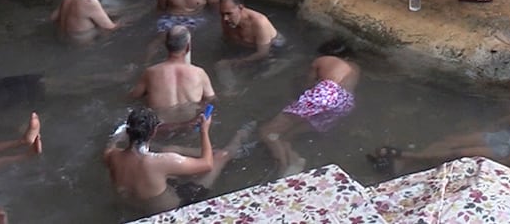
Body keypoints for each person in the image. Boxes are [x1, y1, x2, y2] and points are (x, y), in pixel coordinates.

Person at [368, 69, 510, 175]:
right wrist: (489, 126)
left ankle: (406, 156)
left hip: (508, 149)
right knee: (451, 140)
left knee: (459, 154)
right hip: (503, 137)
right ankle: (406, 164)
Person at [104, 107, 247, 213]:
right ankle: (240, 138)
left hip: (134, 204)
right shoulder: (160, 162)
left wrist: (119, 135)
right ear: (153, 132)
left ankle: (206, 153)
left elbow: (112, 144)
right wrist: (204, 130)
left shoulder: (111, 155)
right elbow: (207, 165)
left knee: (170, 149)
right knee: (221, 156)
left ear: (128, 131)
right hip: (173, 206)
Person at [259, 39, 359, 177]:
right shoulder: (355, 68)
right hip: (345, 103)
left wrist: (295, 96)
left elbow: (308, 85)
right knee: (286, 136)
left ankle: (283, 167)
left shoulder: (321, 60)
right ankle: (296, 160)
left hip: (326, 94)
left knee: (267, 131)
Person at [131, 25, 215, 125]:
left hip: (160, 128)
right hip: (189, 126)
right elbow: (211, 99)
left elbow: (133, 97)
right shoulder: (199, 73)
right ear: (188, 47)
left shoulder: (150, 73)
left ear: (166, 45)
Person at [217, 0, 284, 66]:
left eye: (229, 13)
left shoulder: (260, 23)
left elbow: (263, 53)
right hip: (247, 49)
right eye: (222, 14)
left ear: (240, 8)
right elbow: (226, 40)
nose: (225, 18)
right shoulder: (226, 20)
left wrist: (234, 62)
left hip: (274, 48)